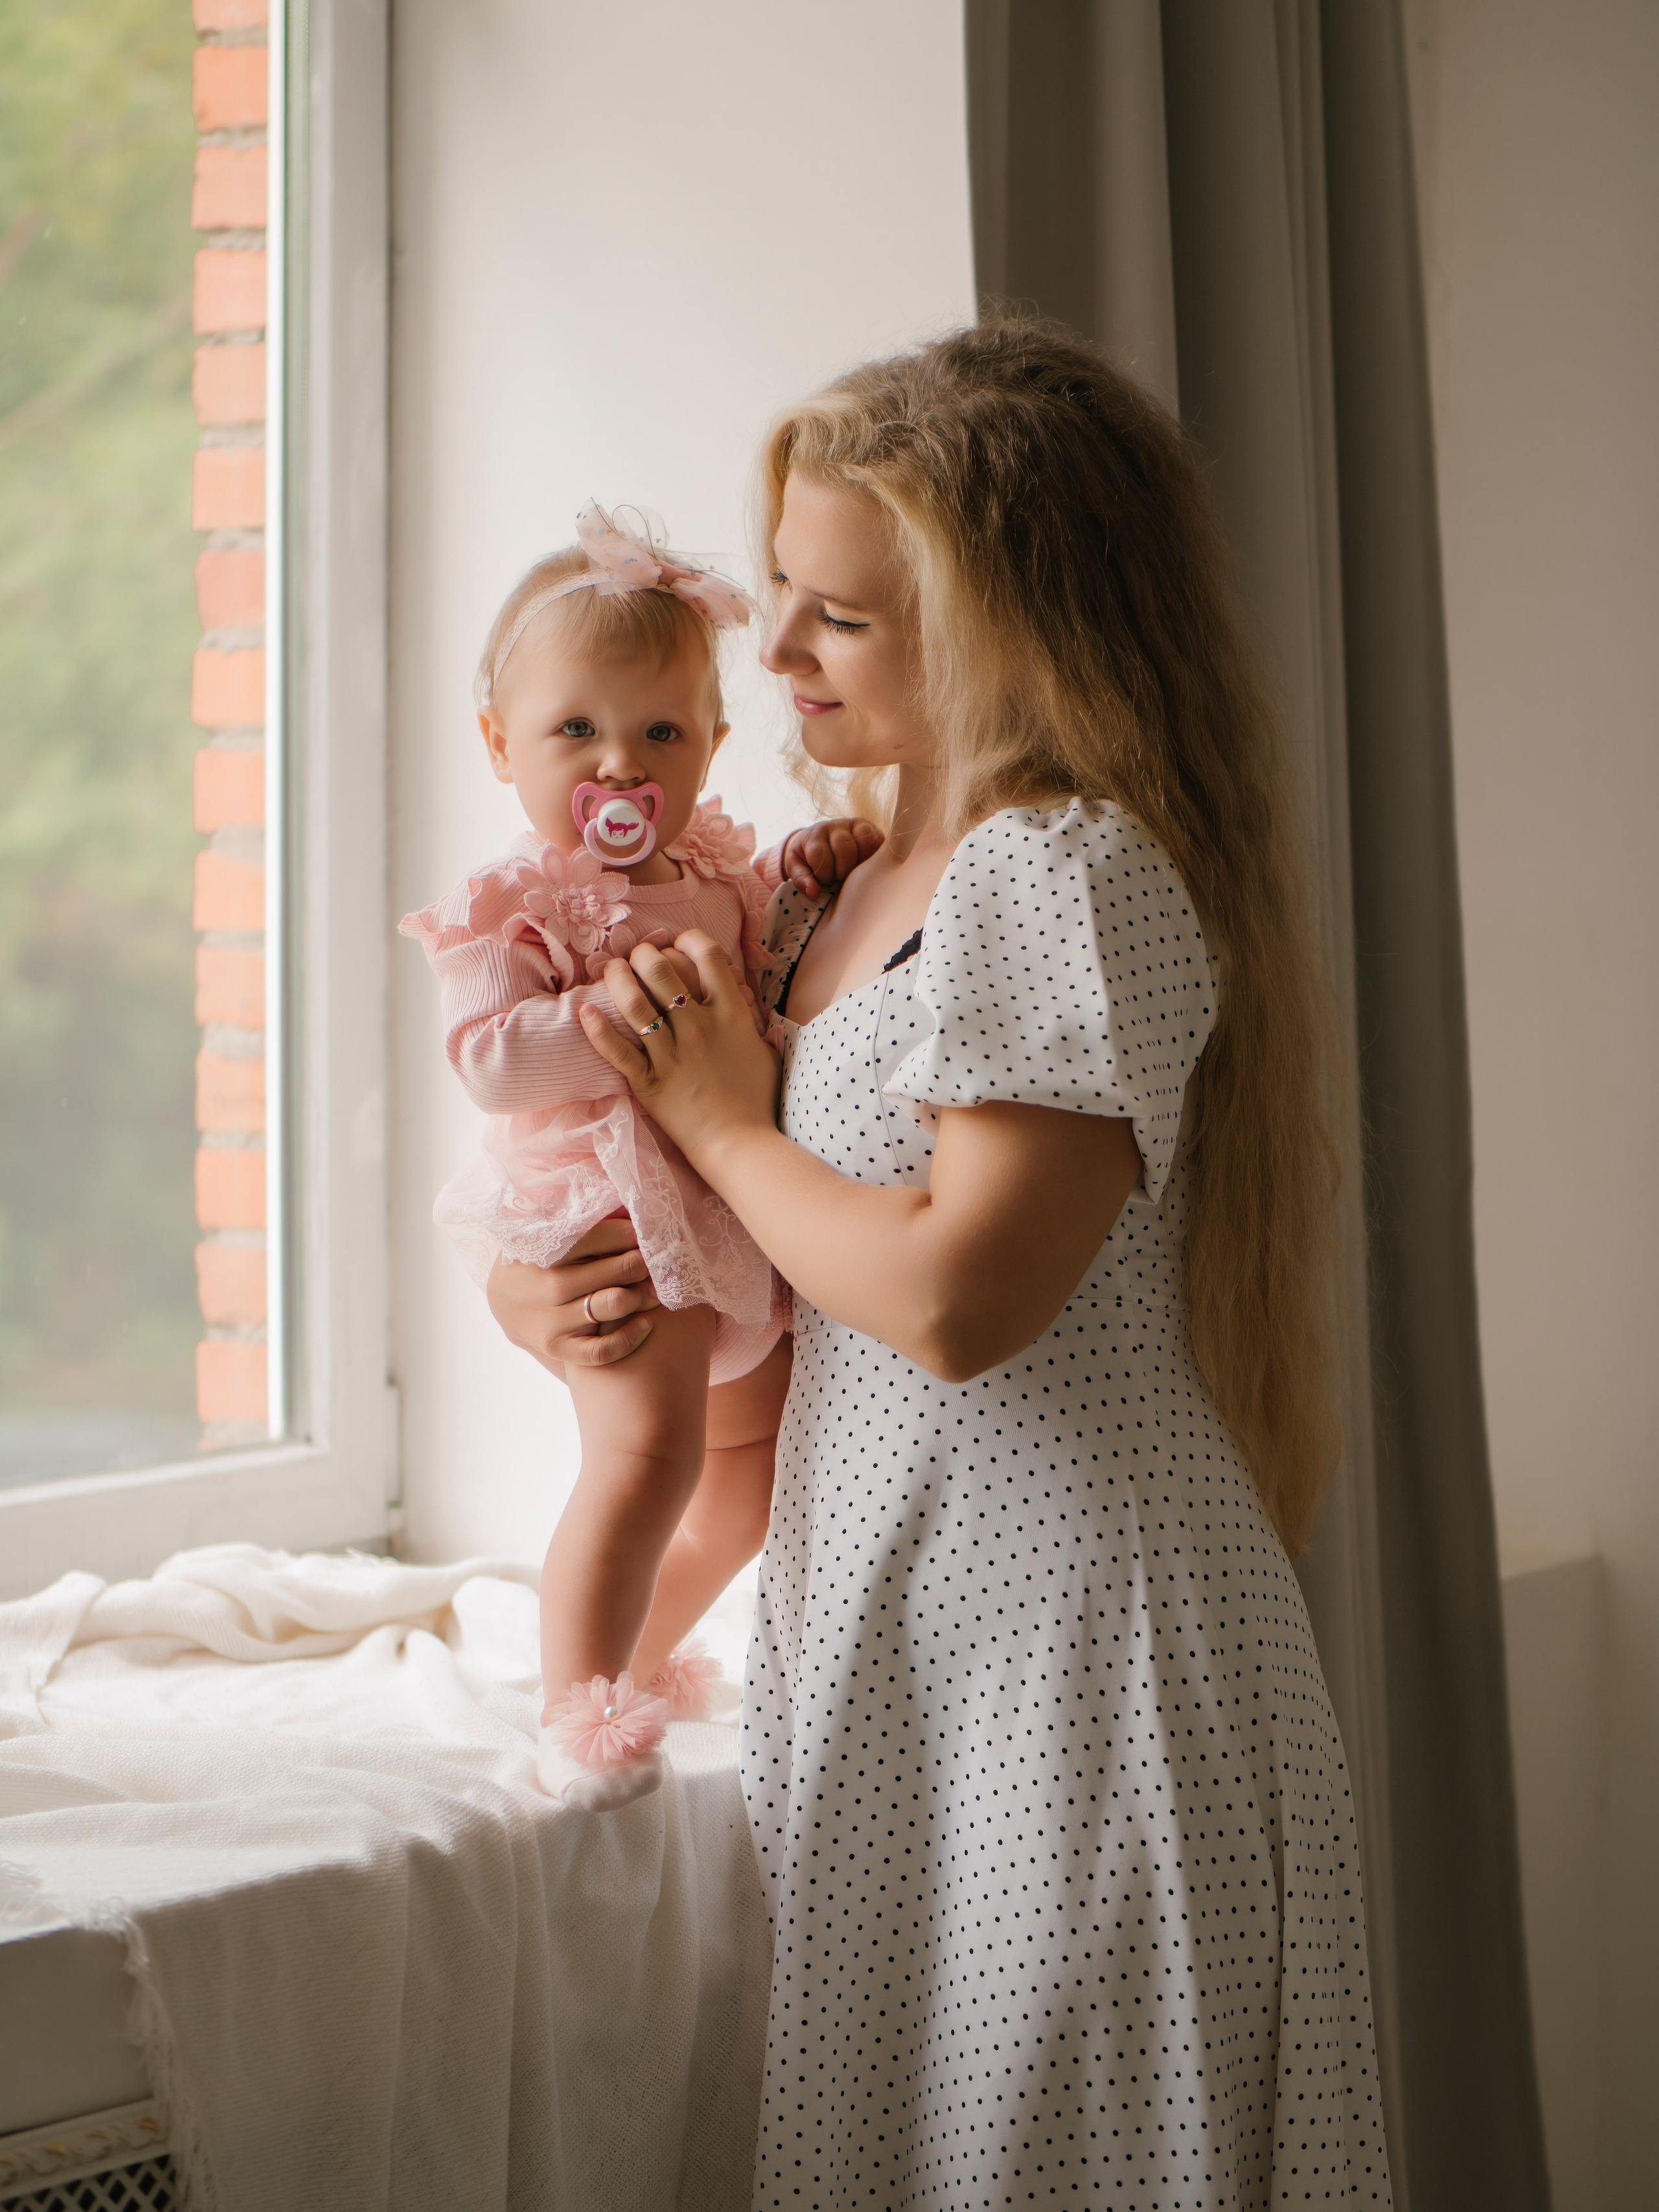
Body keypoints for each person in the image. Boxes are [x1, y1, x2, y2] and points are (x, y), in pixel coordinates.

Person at [489, 327, 1393, 2204]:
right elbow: (748, 1222)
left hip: (1074, 1666)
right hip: (911, 1641)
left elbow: (959, 1298)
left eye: (840, 617)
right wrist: (539, 1286)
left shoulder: (1064, 872)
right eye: (788, 600)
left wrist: (732, 1119)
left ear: (1008, 626)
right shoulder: (850, 878)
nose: (783, 653)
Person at [400, 502, 879, 1810]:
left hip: (723, 1212)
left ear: (712, 744)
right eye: (575, 733)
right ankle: (575, 1710)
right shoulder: (512, 906)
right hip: (609, 1213)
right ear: (502, 747)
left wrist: (810, 865)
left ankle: (635, 1660)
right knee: (642, 1459)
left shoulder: (709, 863)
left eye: (659, 731)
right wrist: (616, 1014)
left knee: (746, 1480)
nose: (619, 764)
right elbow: (490, 1061)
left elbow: (758, 934)